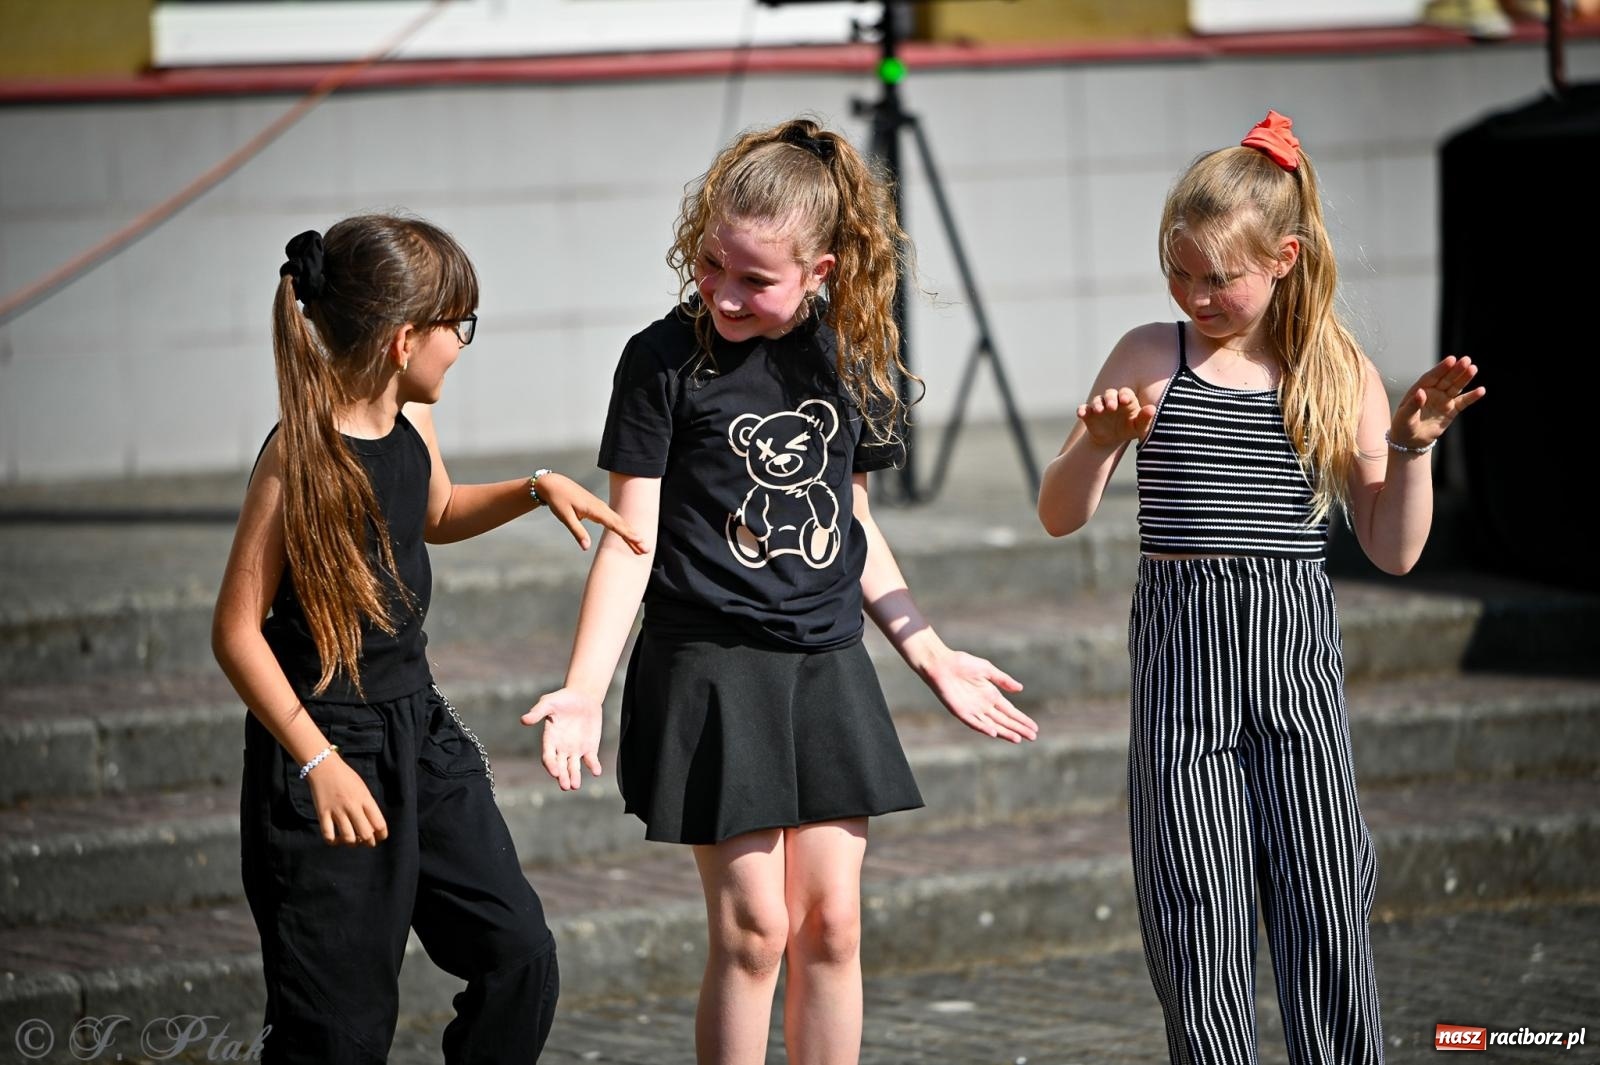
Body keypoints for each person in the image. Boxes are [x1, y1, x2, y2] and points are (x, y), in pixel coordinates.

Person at [522, 118, 1039, 1065]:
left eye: (755, 279)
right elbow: (630, 542)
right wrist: (584, 689)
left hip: (827, 664)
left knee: (833, 924)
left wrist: (931, 653)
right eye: (714, 263)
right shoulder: (661, 360)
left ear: (823, 271)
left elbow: (855, 522)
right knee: (756, 928)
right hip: (711, 665)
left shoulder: (851, 355)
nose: (723, 291)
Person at [1036, 111, 1484, 1065]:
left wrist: (1410, 450)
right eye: (1180, 271)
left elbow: (1394, 549)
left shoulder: (1336, 370)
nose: (1197, 294)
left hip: (1295, 675)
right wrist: (1102, 444)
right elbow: (1058, 512)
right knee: (1195, 907)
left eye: (1220, 276)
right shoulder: (1151, 354)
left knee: (1324, 896)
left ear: (1283, 257)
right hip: (1183, 678)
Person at [212, 214, 646, 1065]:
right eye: (459, 326)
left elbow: (437, 511)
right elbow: (235, 631)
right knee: (336, 1035)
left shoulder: (410, 420)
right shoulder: (296, 460)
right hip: (325, 753)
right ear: (403, 339)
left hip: (423, 735)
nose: (463, 343)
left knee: (518, 956)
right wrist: (316, 760)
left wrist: (536, 486)